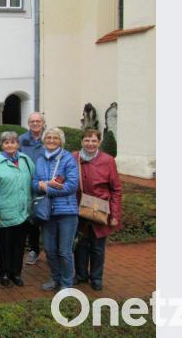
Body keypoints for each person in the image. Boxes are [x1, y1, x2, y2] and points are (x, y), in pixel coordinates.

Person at [73, 129, 122, 291]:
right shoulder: (74, 158)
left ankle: (96, 277)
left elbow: (116, 189)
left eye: (94, 141)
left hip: (100, 209)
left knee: (97, 247)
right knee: (80, 245)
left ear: (99, 142)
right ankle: (81, 274)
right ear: (82, 142)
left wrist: (115, 214)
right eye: (87, 140)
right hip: (78, 208)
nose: (90, 144)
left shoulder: (108, 160)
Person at [33, 127, 80, 291]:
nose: (51, 140)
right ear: (43, 140)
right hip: (47, 212)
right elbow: (34, 183)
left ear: (61, 141)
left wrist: (47, 188)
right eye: (48, 138)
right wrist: (42, 186)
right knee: (49, 249)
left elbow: (72, 186)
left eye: (55, 138)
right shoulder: (39, 159)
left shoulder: (68, 159)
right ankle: (55, 278)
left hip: (67, 212)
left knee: (64, 251)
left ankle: (67, 283)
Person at [0, 131, 35, 287]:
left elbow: (33, 180)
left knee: (20, 244)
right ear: (1, 145)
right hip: (4, 212)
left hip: (23, 211)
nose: (10, 145)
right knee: (4, 245)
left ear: (18, 144)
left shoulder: (26, 160)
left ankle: (16, 273)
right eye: (6, 142)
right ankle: (4, 273)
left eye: (13, 142)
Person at [19, 111, 46, 266]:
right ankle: (34, 249)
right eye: (32, 121)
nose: (35, 124)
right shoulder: (22, 140)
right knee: (31, 220)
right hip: (28, 185)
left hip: (46, 186)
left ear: (43, 123)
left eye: (38, 121)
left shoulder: (49, 138)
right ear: (28, 123)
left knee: (47, 217)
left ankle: (50, 249)